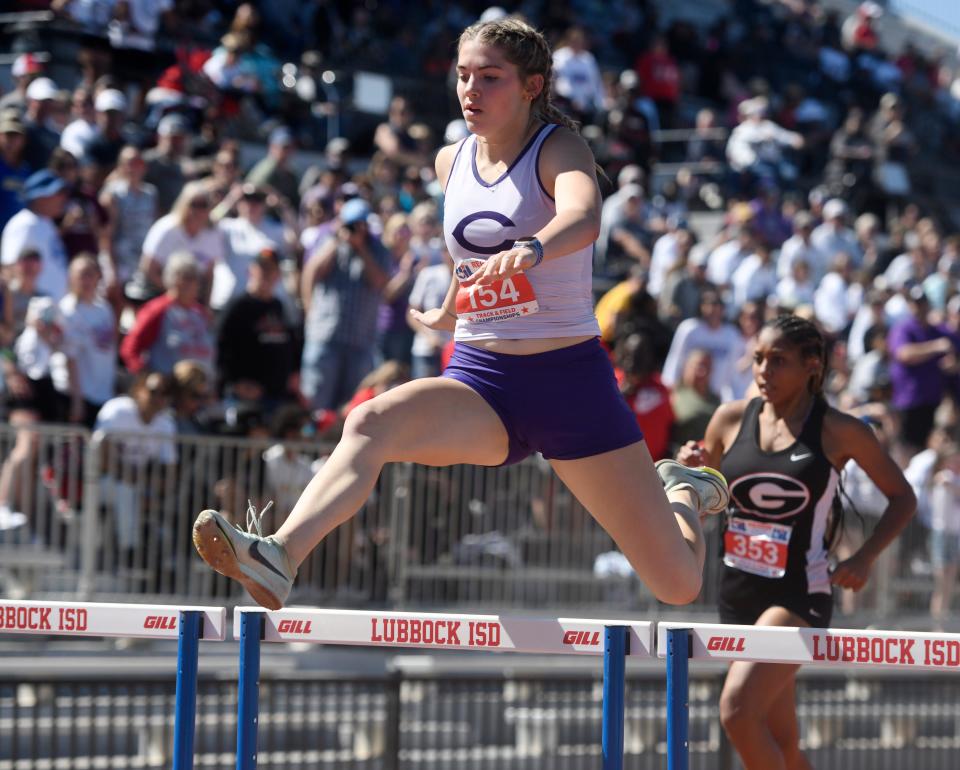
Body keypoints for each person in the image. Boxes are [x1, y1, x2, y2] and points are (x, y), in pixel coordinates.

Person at [191, 16, 730, 612]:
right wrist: (449, 309)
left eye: (490, 78)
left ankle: (679, 489)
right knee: (370, 424)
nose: (471, 90)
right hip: (483, 382)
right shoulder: (453, 162)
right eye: (464, 76)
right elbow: (468, 254)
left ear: (532, 85)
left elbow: (584, 216)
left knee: (677, 585)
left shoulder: (558, 148)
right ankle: (279, 556)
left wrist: (535, 247)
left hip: (570, 384)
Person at [676, 313, 915, 770]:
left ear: (812, 366)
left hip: (797, 595)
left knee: (737, 712)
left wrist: (864, 558)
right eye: (759, 359)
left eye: (778, 360)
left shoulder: (839, 430)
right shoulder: (729, 419)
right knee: (780, 739)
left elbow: (903, 497)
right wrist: (692, 465)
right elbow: (708, 496)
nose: (763, 370)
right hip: (737, 592)